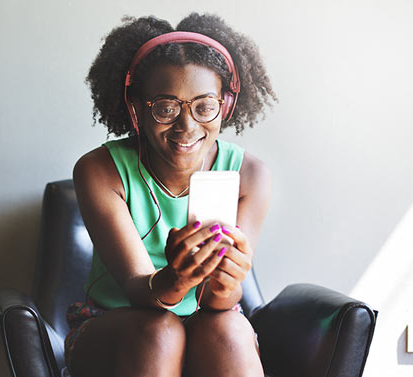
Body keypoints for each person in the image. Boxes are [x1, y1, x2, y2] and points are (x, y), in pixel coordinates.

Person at [66, 13, 278, 377]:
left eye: (204, 106)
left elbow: (219, 304)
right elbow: (139, 291)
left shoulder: (250, 176)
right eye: (166, 107)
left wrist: (228, 280)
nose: (186, 124)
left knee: (229, 329)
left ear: (225, 106)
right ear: (136, 109)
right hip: (115, 324)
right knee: (160, 332)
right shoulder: (99, 171)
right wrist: (176, 278)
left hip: (207, 324)